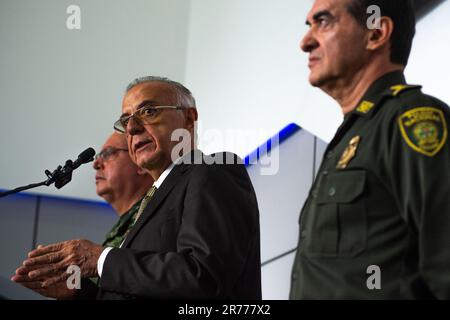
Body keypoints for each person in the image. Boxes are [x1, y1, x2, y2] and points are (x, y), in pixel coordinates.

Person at [13, 76, 262, 299]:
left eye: (149, 111)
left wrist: (100, 259)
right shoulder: (151, 201)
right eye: (125, 120)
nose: (131, 128)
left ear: (188, 118)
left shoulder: (212, 171)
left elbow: (203, 278)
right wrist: (79, 293)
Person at [289, 0, 450, 299]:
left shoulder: (411, 120)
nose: (305, 42)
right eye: (309, 26)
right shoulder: (351, 138)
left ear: (376, 33)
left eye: (323, 22)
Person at [12, 132, 154, 299]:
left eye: (108, 153)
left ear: (141, 164)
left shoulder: (152, 219)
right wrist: (77, 290)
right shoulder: (127, 221)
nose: (96, 163)